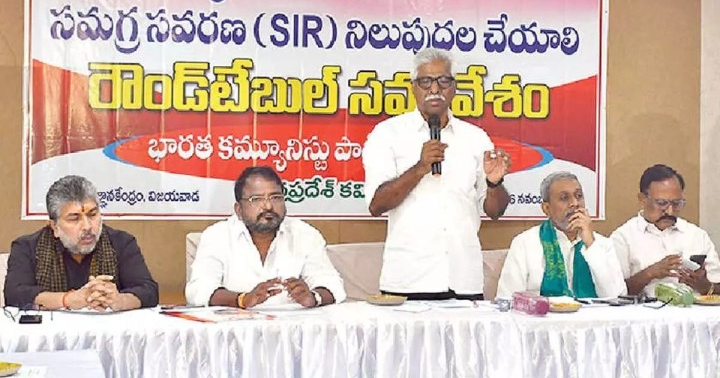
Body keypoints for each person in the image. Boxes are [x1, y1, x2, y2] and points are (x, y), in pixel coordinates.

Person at [361, 48, 511, 300]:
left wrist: (495, 183)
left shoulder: (475, 138)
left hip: (464, 280)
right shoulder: (387, 134)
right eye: (425, 81)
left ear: (454, 87)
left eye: (443, 81)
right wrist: (420, 168)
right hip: (408, 280)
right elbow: (377, 205)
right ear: (413, 87)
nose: (434, 89)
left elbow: (495, 211)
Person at [186, 166, 346, 308]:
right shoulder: (216, 236)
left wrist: (313, 297)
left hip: (292, 328)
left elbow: (332, 285)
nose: (268, 206)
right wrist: (242, 299)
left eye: (275, 197)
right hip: (235, 328)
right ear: (238, 209)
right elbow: (199, 290)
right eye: (256, 199)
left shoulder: (305, 235)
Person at [3, 175, 158, 310]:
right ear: (54, 226)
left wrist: (119, 300)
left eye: (92, 215)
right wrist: (68, 300)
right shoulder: (27, 248)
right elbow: (14, 294)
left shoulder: (122, 243)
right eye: (74, 219)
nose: (87, 226)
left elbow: (149, 291)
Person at [496, 172, 626, 298]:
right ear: (546, 208)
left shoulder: (602, 244)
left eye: (579, 196)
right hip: (544, 313)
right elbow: (507, 299)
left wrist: (591, 245)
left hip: (593, 313)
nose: (575, 203)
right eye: (564, 198)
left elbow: (617, 296)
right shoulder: (525, 243)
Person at [611, 164, 720, 296]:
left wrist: (704, 286)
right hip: (645, 309)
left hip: (694, 308)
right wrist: (649, 273)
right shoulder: (623, 238)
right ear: (642, 199)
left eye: (676, 203)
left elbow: (717, 286)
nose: (670, 211)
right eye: (662, 203)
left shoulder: (697, 236)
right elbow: (613, 294)